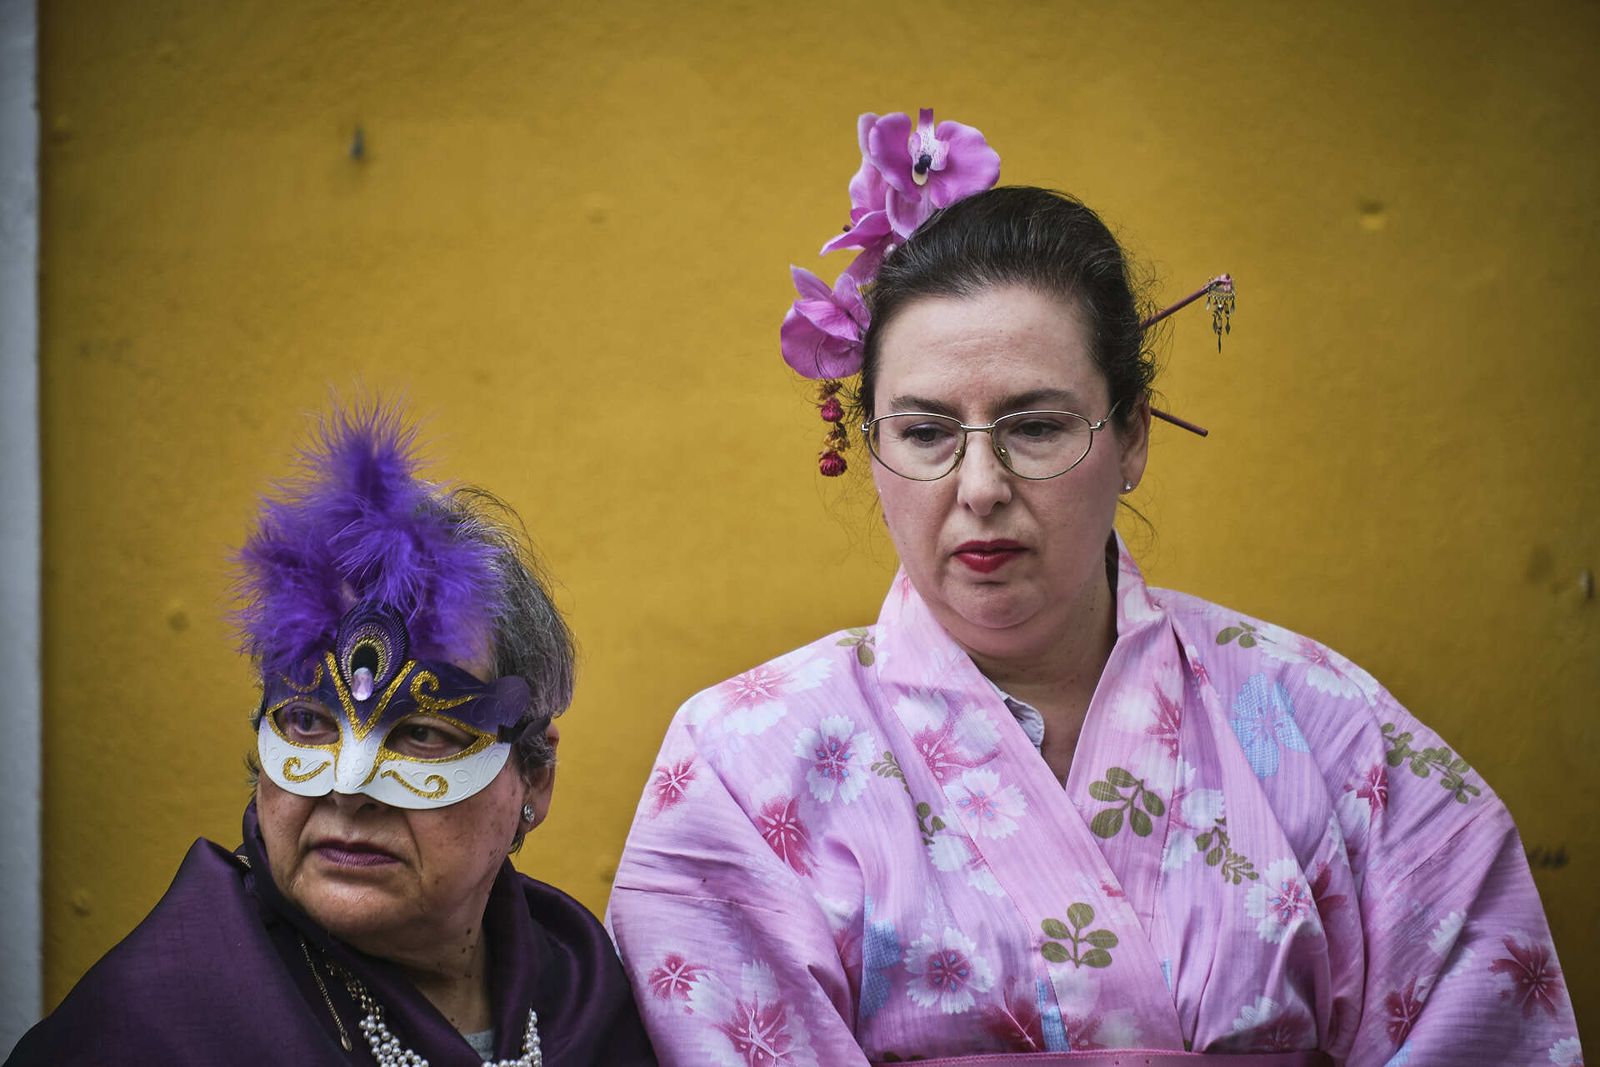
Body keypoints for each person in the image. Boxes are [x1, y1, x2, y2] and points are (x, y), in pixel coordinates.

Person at [607, 110, 1581, 1064]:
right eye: (924, 430)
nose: (980, 487)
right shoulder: (744, 761)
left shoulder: (1325, 725)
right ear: (869, 449)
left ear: (1133, 439)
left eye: (1036, 425)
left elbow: (1484, 1021)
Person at [9, 407, 656, 1066]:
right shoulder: (152, 1032)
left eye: (423, 732)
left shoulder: (597, 1002)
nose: (348, 787)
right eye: (309, 721)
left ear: (535, 779)